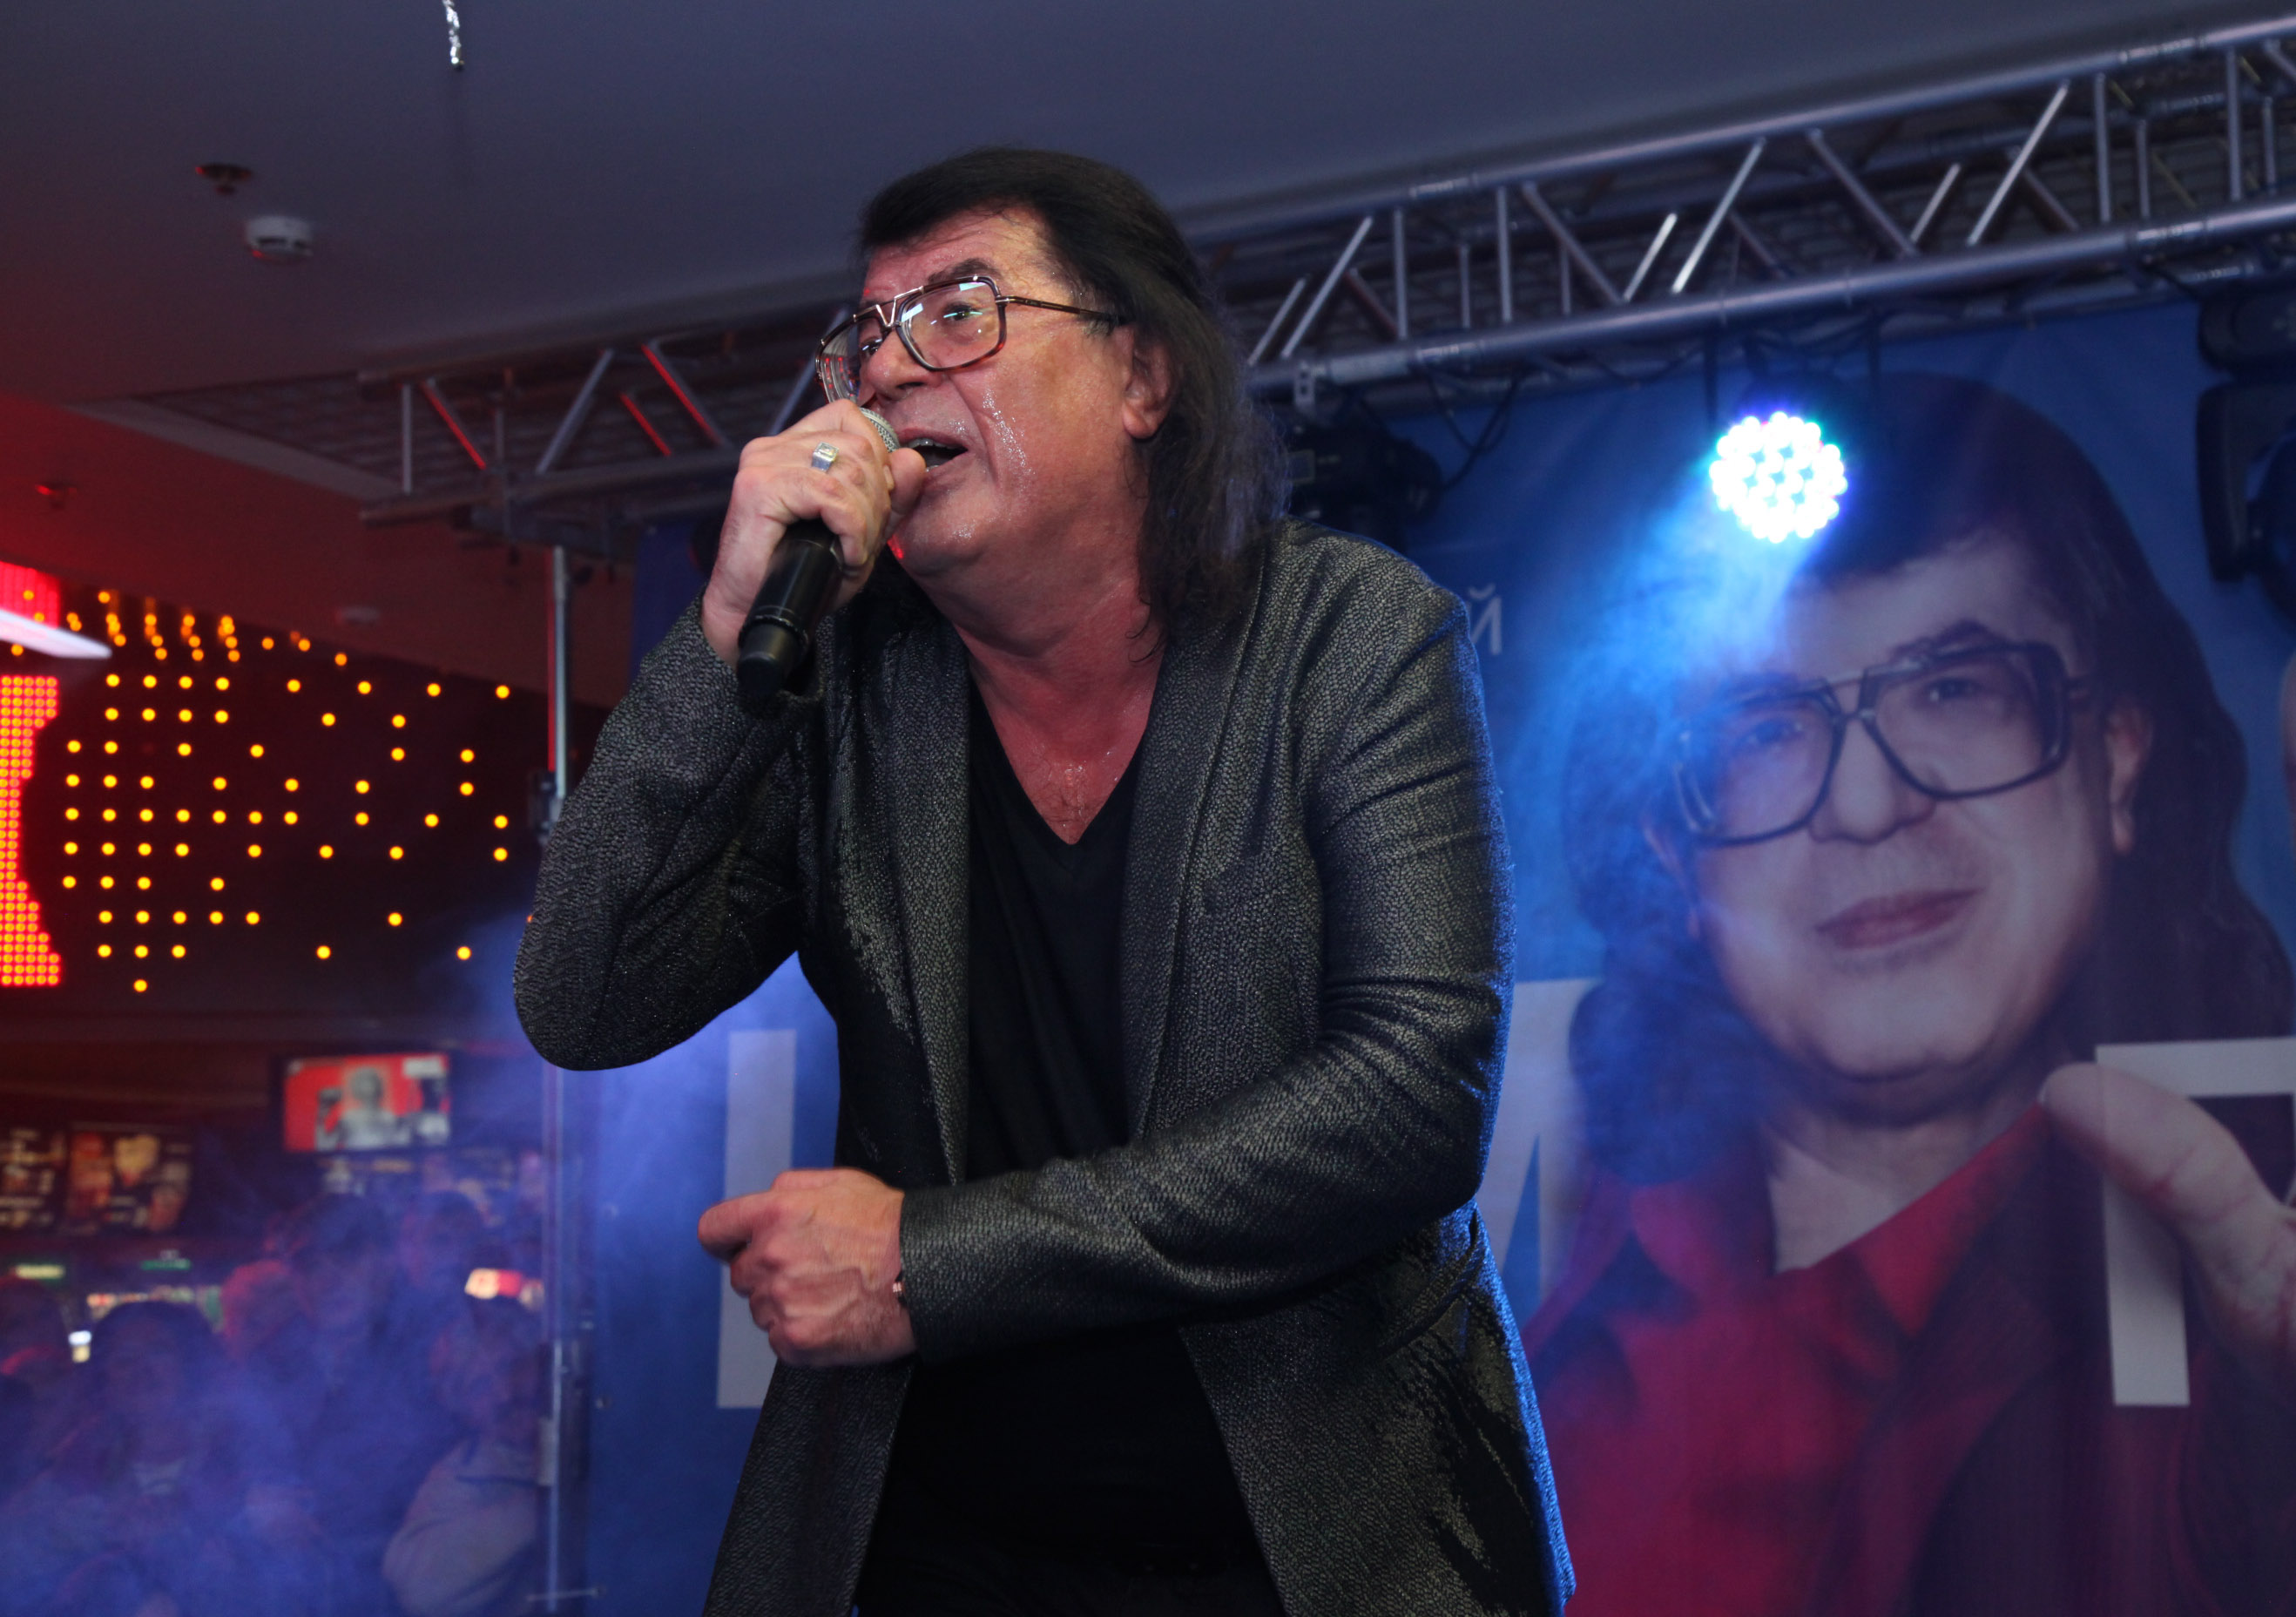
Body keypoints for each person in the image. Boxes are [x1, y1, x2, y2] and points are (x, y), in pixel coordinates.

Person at [515, 147, 1570, 1616]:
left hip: (1320, 1545)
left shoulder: (1347, 638)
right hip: (944, 1543)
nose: (890, 373)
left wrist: (929, 1264)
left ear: (1141, 377)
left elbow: (1412, 1104)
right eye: (865, 338)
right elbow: (584, 1000)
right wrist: (724, 632)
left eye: (959, 314)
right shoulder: (846, 692)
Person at [1528, 372, 2296, 1616]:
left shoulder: (2232, 1325)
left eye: (1955, 688)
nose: (1866, 802)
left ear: (2116, 763)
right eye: (1765, 729)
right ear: (1674, 853)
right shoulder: (1522, 1326)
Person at [230, 1194, 460, 1617]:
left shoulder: (440, 1346)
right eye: (310, 1265)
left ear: (387, 1260)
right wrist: (258, 1503)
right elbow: (245, 1461)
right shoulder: (273, 1359)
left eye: (347, 1257)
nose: (328, 1279)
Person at [0, 1302, 245, 1617]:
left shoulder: (242, 1458)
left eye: (158, 1351)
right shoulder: (74, 1466)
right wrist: (69, 1534)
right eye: (123, 1358)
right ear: (104, 1377)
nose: (140, 1370)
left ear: (192, 1364)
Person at [382, 1299, 545, 1617]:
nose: (504, 1394)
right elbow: (420, 1588)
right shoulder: (464, 1473)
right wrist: (543, 1505)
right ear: (463, 1410)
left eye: (510, 1366)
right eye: (479, 1386)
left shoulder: (607, 1430)